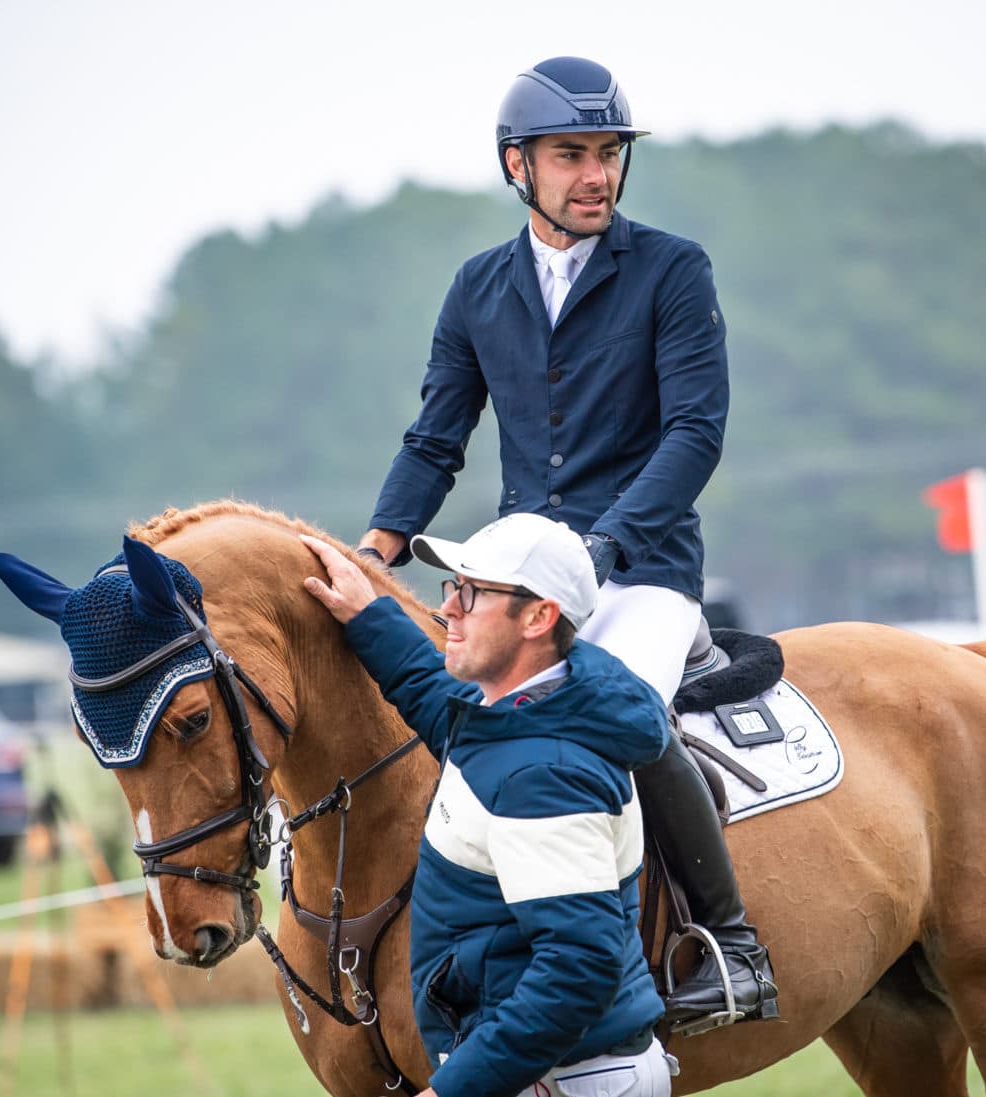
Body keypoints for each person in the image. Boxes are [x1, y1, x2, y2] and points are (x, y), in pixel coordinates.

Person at [355, 56, 776, 1023]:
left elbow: (694, 435)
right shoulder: (476, 288)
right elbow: (436, 437)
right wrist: (374, 552)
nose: (597, 175)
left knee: (623, 713)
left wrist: (604, 549)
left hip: (644, 572)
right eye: (572, 155)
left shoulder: (673, 270)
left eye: (609, 155)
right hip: (516, 575)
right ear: (519, 166)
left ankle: (731, 945)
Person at [302, 514, 675, 1097]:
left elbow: (579, 969)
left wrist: (454, 1091)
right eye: (453, 588)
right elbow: (434, 694)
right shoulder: (515, 713)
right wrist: (369, 613)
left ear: (538, 617)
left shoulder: (542, 773)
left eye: (471, 593)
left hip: (563, 1082)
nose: (448, 608)